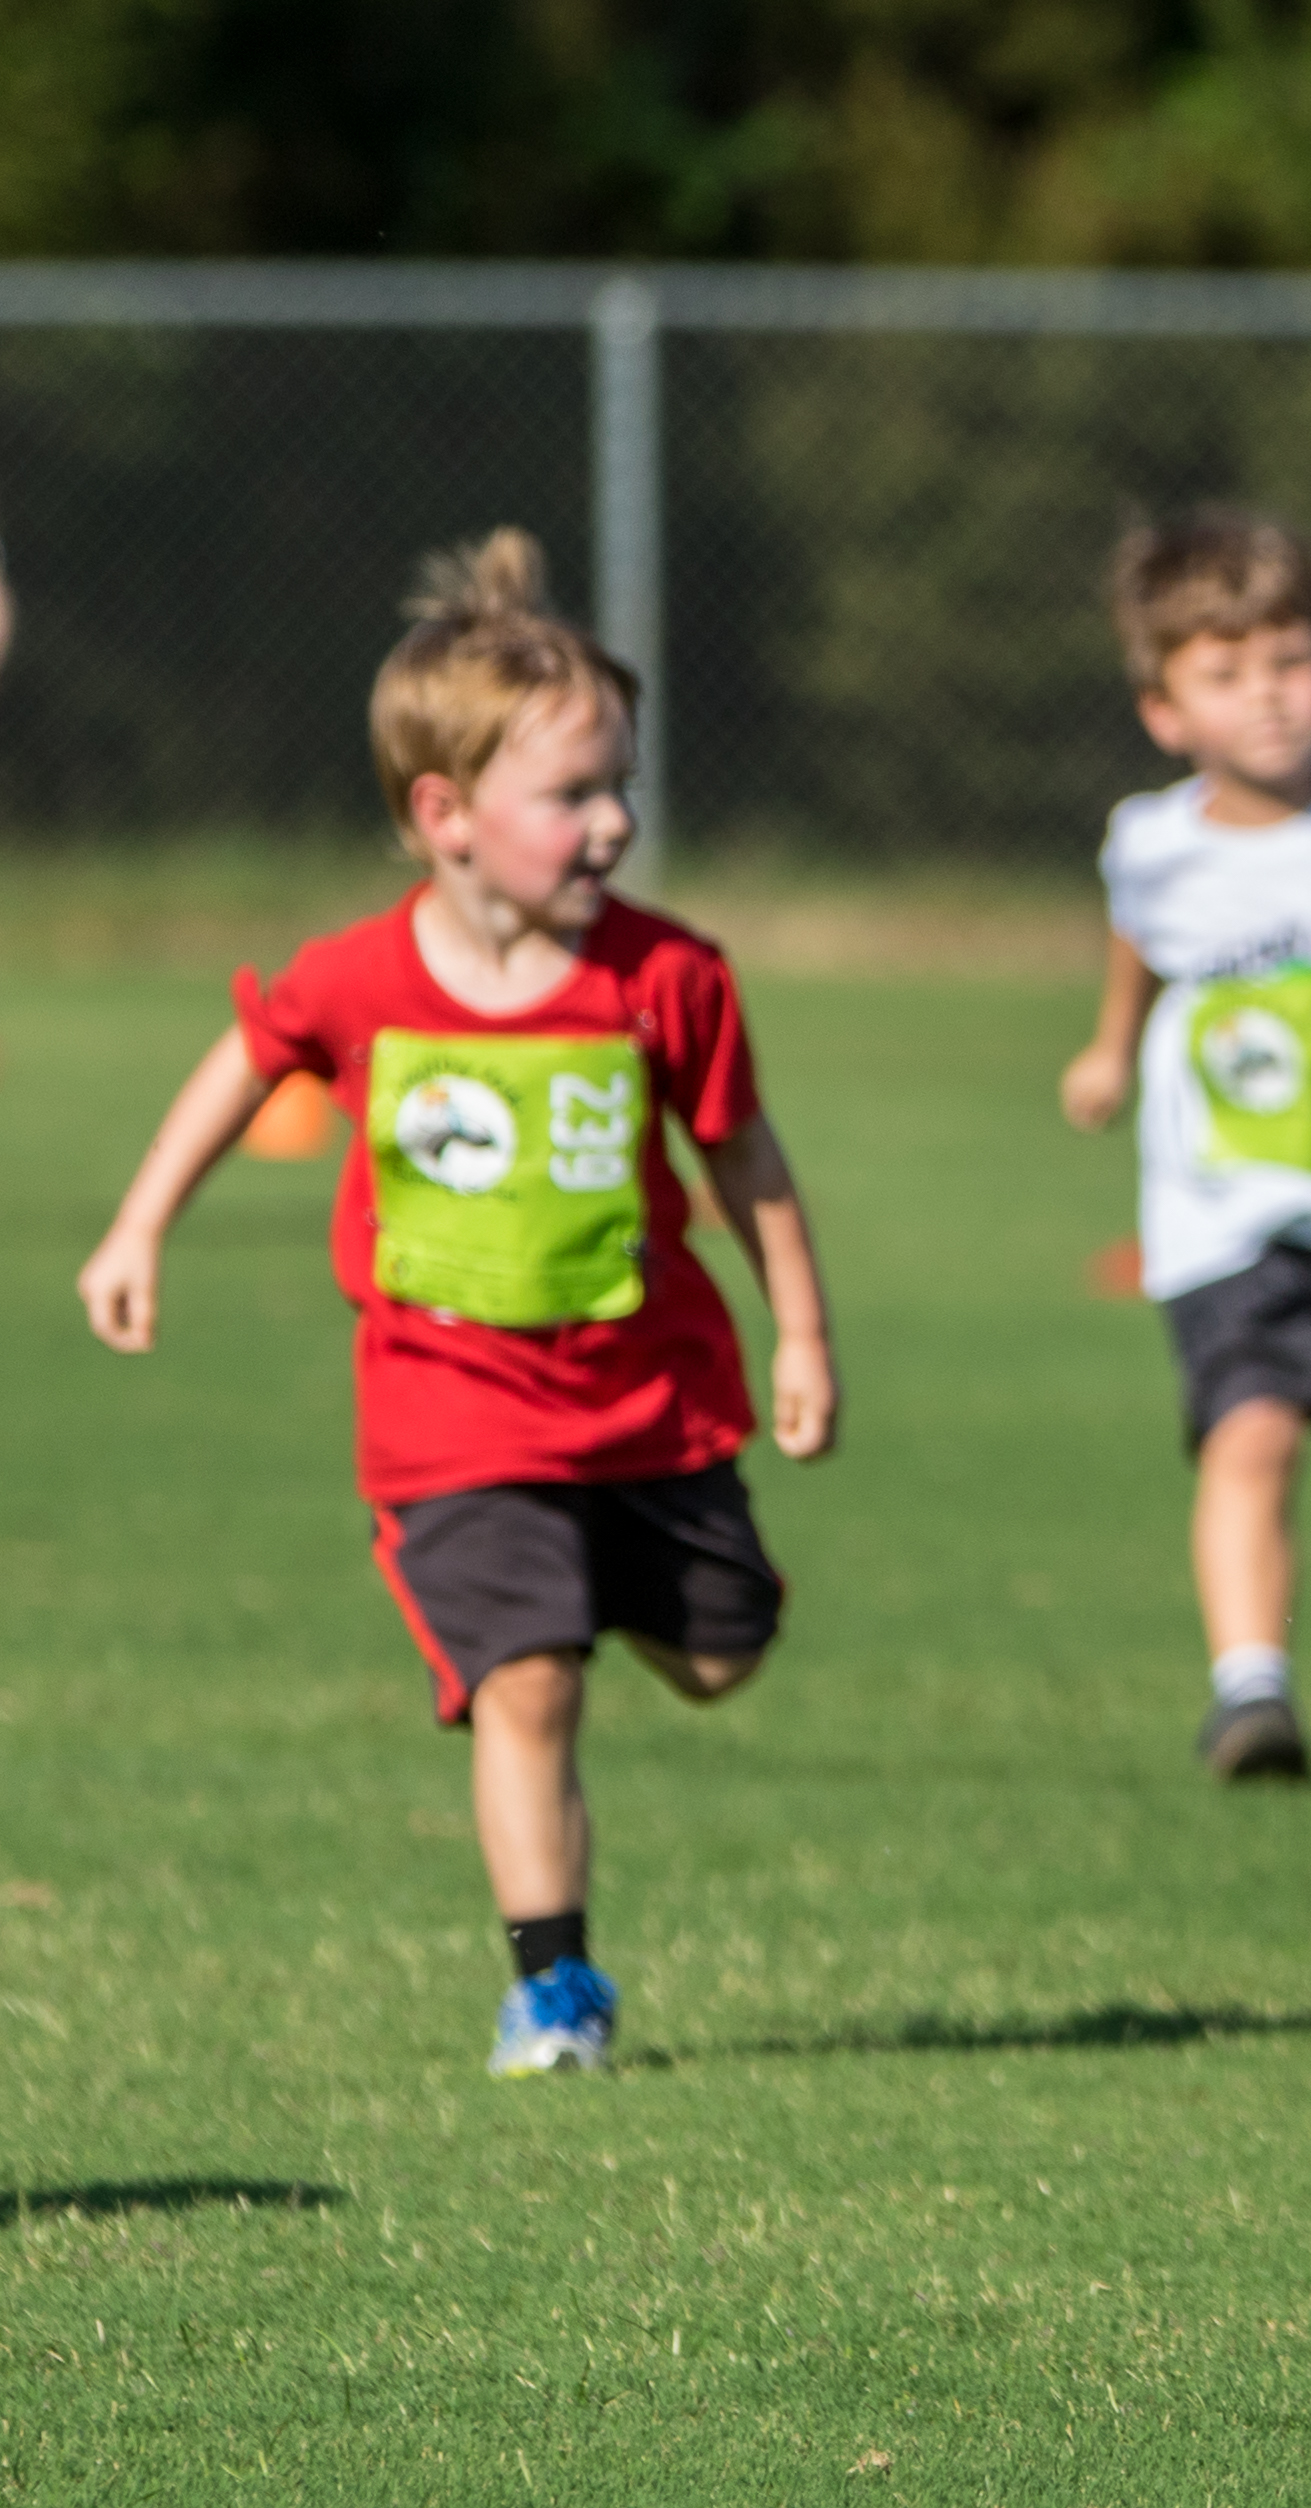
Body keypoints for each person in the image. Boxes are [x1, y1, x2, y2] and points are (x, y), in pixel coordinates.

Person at [72, 531, 839, 2075]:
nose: (614, 821)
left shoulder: (669, 978)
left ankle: (608, 1583)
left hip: (648, 1399)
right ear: (447, 816)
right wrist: (139, 1224)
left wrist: (803, 1328)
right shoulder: (361, 976)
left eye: (619, 785)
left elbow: (744, 1151)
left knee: (722, 1652)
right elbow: (250, 1053)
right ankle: (552, 1986)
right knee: (526, 1680)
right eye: (573, 797)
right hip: (451, 1413)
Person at [1058, 512, 1311, 1783]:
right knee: (1251, 1426)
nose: (1267, 699)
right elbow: (1140, 934)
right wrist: (1113, 1044)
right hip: (1220, 1212)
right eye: (1226, 673)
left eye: (1291, 660)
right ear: (1166, 710)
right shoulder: (1151, 839)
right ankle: (1250, 1691)